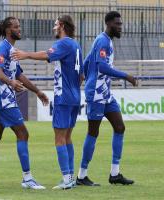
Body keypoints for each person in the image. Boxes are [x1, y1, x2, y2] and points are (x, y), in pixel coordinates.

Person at [0, 16, 49, 189]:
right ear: (8, 30)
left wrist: (37, 91)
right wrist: (11, 82)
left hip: (4, 99)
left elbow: (20, 75)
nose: (19, 29)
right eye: (16, 26)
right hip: (4, 99)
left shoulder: (12, 50)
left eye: (20, 26)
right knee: (23, 133)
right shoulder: (3, 48)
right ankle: (28, 179)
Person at [12, 15, 84, 189]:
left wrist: (26, 54)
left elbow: (46, 55)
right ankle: (70, 177)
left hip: (63, 97)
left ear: (62, 26)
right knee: (67, 137)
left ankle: (67, 179)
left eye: (55, 25)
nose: (53, 28)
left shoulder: (63, 43)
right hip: (75, 97)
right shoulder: (76, 45)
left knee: (59, 137)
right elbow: (81, 75)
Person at [76, 11, 137, 186]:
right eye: (117, 24)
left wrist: (84, 75)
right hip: (96, 94)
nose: (120, 27)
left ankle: (115, 174)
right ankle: (81, 175)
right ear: (109, 24)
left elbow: (88, 59)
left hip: (105, 93)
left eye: (120, 24)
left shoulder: (103, 40)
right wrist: (126, 76)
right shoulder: (103, 41)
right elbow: (102, 67)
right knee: (93, 132)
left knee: (119, 127)